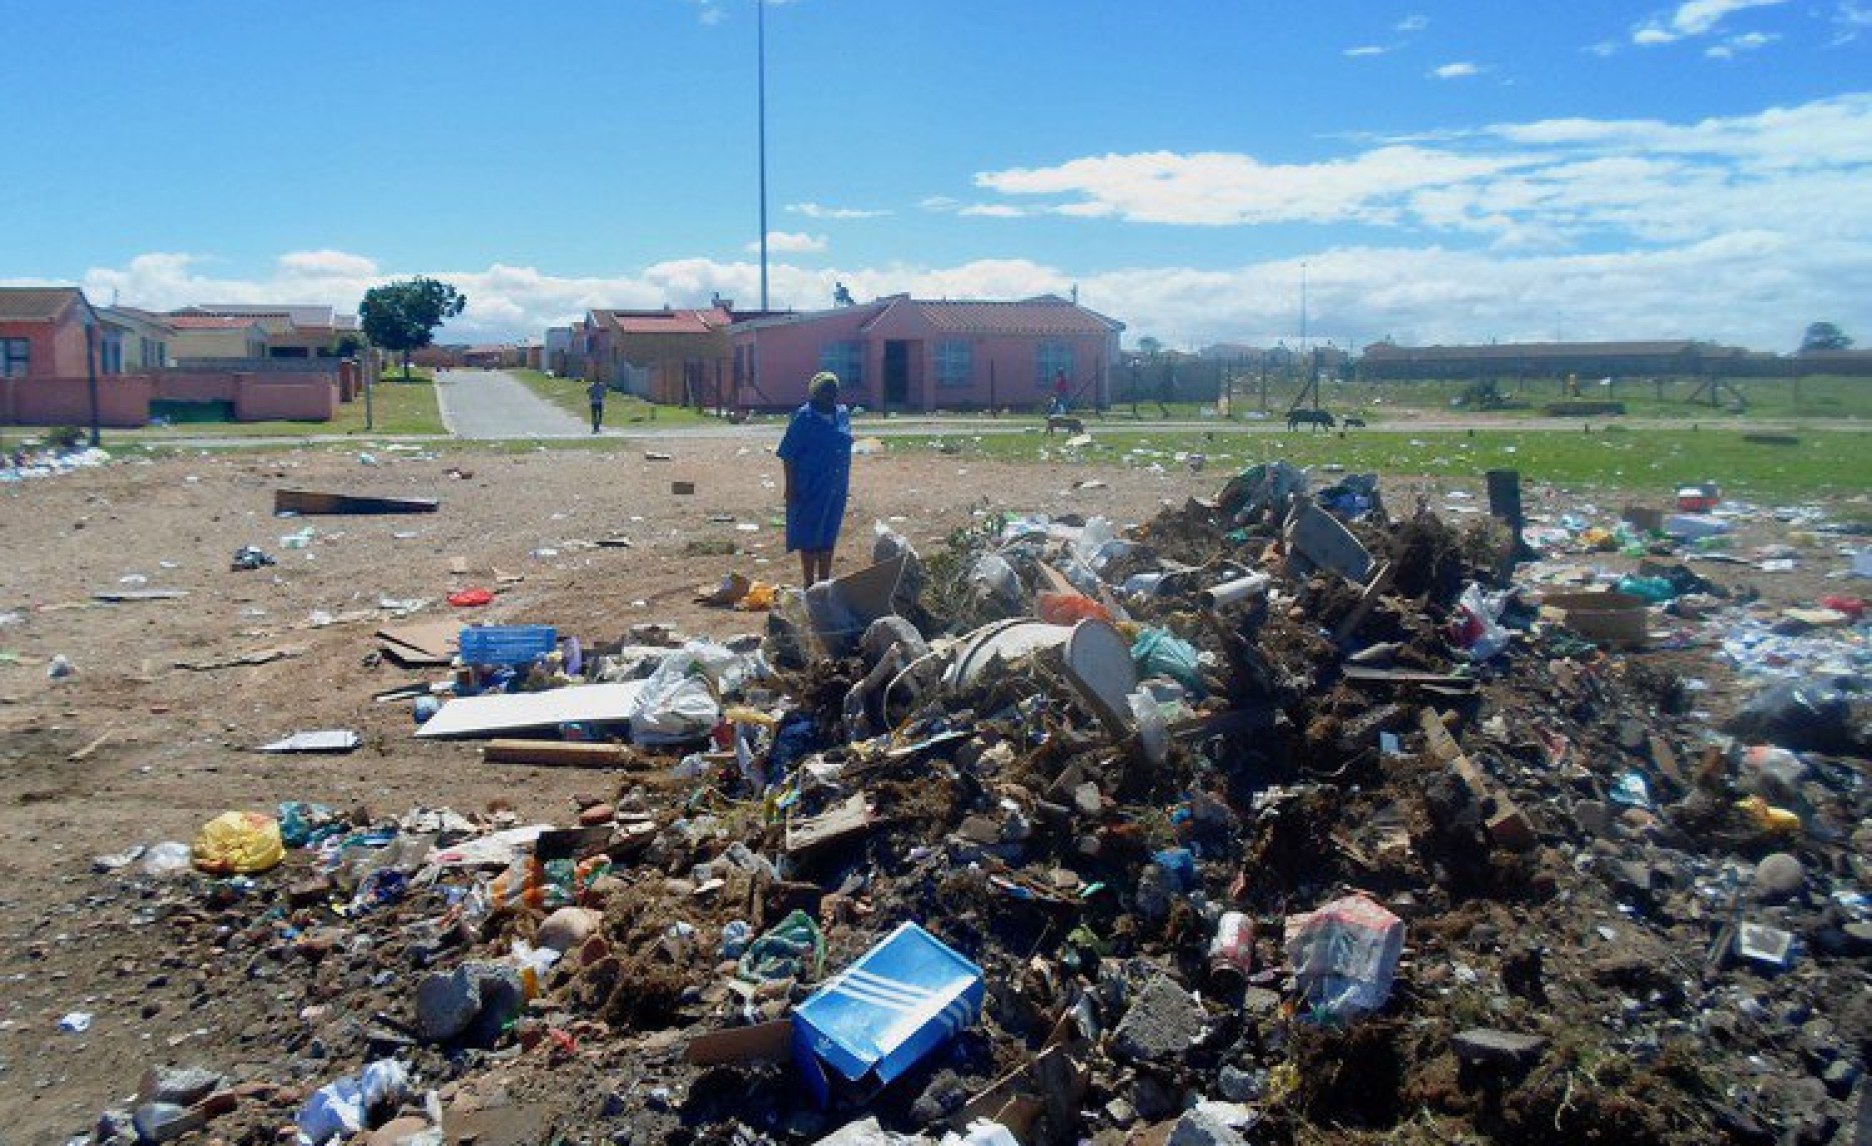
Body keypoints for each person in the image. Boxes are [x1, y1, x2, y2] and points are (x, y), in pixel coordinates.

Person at [777, 371, 853, 585]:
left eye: (833, 390)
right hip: (809, 485)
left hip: (835, 487)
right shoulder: (804, 418)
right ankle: (809, 583)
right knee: (809, 533)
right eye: (824, 390)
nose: (829, 394)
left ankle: (825, 582)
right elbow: (788, 454)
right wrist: (790, 486)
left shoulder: (842, 415)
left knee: (829, 531)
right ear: (815, 393)